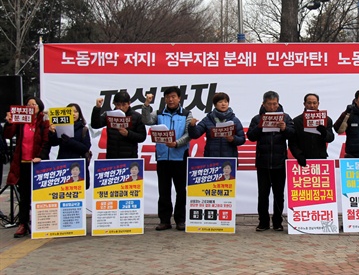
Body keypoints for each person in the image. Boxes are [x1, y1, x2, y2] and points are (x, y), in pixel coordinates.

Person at [142, 87, 192, 231]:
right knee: (164, 191)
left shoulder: (187, 114)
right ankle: (164, 220)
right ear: (164, 99)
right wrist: (146, 105)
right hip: (163, 157)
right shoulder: (158, 114)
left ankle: (180, 220)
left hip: (180, 157)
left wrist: (177, 143)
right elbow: (146, 120)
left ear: (179, 98)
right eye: (168, 97)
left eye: (173, 97)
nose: (171, 100)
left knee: (181, 191)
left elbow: (189, 134)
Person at [246, 91, 294, 232]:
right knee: (263, 194)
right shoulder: (257, 118)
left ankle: (278, 222)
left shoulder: (285, 117)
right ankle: (263, 222)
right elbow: (250, 136)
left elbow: (292, 134)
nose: (272, 107)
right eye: (269, 104)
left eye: (275, 104)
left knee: (279, 194)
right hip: (263, 162)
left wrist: (285, 128)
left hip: (280, 162)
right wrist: (260, 126)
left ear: (278, 103)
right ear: (263, 104)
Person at [3, 96, 51, 238]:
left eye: (34, 104)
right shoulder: (20, 121)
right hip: (23, 163)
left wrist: (40, 156)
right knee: (24, 197)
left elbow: (46, 141)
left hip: (38, 164)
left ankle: (41, 223)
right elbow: (8, 134)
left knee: (40, 195)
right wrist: (10, 123)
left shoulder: (44, 121)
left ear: (39, 107)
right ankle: (22, 224)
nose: (31, 107)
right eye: (28, 104)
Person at [91, 91, 146, 159]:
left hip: (130, 158)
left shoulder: (137, 116)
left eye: (123, 105)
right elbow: (95, 125)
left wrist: (128, 134)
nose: (121, 107)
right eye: (118, 105)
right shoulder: (109, 115)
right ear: (114, 104)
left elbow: (142, 137)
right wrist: (97, 108)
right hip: (112, 157)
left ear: (129, 103)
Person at [188, 92, 246, 157]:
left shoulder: (234, 120)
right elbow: (195, 135)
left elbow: (242, 139)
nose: (223, 104)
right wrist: (192, 126)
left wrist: (233, 139)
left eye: (226, 102)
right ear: (215, 104)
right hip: (211, 158)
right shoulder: (208, 119)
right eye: (220, 102)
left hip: (229, 158)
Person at [49, 103, 92, 188]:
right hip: (63, 165)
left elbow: (85, 148)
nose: (73, 114)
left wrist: (69, 141)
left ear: (79, 114)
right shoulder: (61, 127)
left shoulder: (83, 129)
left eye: (76, 112)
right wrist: (52, 133)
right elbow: (54, 143)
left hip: (78, 166)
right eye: (70, 112)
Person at [288, 93, 335, 167]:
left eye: (314, 103)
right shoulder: (296, 121)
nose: (312, 106)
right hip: (302, 159)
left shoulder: (327, 120)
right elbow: (292, 142)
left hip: (320, 158)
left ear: (318, 104)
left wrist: (324, 132)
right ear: (304, 104)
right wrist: (298, 155)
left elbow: (331, 138)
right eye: (309, 103)